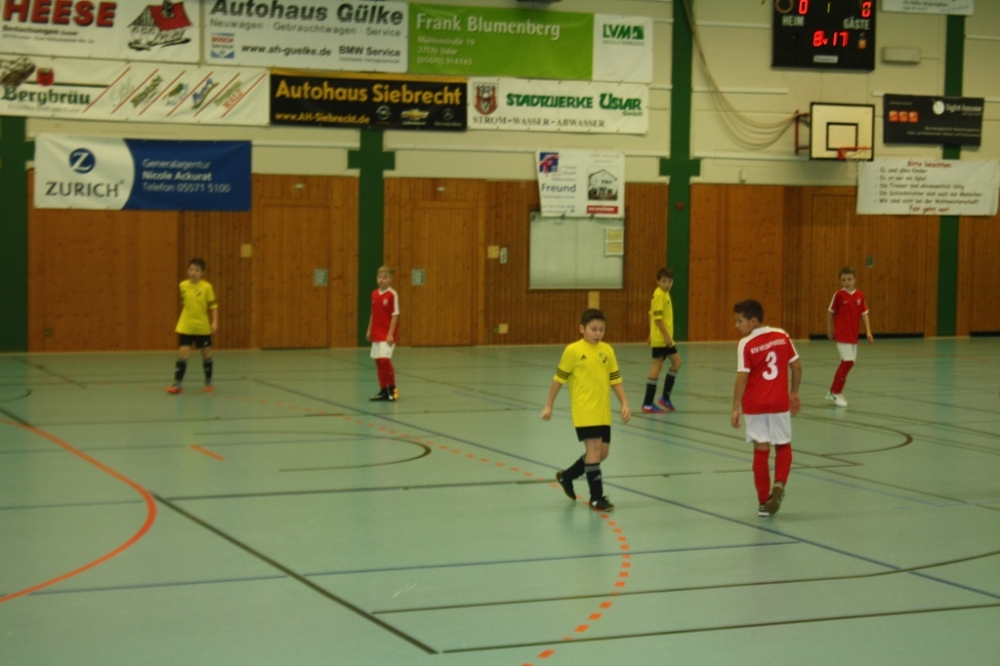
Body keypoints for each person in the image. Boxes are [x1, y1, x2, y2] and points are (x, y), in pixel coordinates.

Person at [542, 309, 631, 512]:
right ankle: (596, 498)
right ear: (582, 329)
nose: (598, 333)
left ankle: (567, 476)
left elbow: (615, 379)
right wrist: (549, 405)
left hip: (603, 412)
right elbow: (558, 380)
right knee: (594, 450)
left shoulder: (607, 351)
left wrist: (624, 402)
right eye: (593, 329)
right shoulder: (573, 351)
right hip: (584, 411)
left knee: (602, 453)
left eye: (601, 329)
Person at [730, 300, 801, 518]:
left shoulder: (746, 343)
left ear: (753, 321)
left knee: (761, 451)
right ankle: (779, 484)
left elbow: (742, 378)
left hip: (755, 405)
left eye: (739, 321)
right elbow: (796, 366)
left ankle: (764, 503)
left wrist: (735, 408)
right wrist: (794, 393)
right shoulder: (782, 335)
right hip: (779, 402)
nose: (736, 325)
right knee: (783, 445)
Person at [167, 258, 218, 394]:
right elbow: (185, 303)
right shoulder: (182, 286)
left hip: (202, 327)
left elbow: (213, 306)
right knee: (182, 353)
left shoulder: (207, 287)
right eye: (191, 269)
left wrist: (214, 322)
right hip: (186, 326)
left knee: (206, 354)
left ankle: (208, 381)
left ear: (202, 272)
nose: (193, 272)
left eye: (197, 270)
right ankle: (177, 384)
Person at [825, 266, 873, 408]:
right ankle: (835, 392)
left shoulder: (860, 296)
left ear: (855, 279)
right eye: (843, 280)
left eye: (849, 279)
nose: (846, 282)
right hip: (842, 334)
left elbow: (864, 314)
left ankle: (834, 391)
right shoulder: (838, 295)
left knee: (848, 362)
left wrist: (868, 332)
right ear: (840, 281)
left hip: (853, 335)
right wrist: (829, 330)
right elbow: (830, 312)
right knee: (848, 362)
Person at [642, 267, 683, 413]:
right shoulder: (659, 295)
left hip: (663, 339)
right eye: (664, 281)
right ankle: (648, 403)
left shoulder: (664, 294)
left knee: (677, 362)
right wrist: (665, 336)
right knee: (656, 368)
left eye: (670, 281)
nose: (667, 284)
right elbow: (658, 319)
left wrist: (650, 333)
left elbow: (650, 314)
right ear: (658, 281)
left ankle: (665, 398)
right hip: (662, 340)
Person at [367, 266, 400, 401]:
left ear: (391, 279)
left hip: (387, 334)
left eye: (385, 277)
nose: (381, 280)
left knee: (385, 361)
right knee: (379, 363)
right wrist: (369, 329)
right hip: (376, 333)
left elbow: (395, 314)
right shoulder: (374, 294)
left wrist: (390, 334)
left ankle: (393, 390)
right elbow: (373, 313)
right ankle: (383, 390)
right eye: (379, 277)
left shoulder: (392, 294)